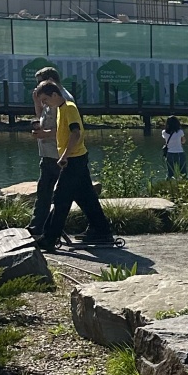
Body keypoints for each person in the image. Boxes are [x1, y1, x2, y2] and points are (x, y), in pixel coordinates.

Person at [35, 83, 119, 251]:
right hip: (76, 158)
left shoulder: (69, 107)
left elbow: (76, 133)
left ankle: (49, 238)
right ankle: (101, 230)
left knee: (60, 199)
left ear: (54, 95)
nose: (44, 104)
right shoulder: (60, 109)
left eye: (45, 100)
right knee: (86, 198)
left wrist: (64, 156)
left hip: (74, 159)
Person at [27, 66, 67, 240]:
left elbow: (66, 128)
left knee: (59, 193)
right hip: (47, 152)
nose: (37, 88)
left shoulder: (62, 99)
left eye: (39, 84)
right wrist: (37, 102)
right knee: (43, 191)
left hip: (57, 153)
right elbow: (43, 118)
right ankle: (37, 227)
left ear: (50, 80)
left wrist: (45, 134)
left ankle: (48, 230)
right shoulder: (48, 98)